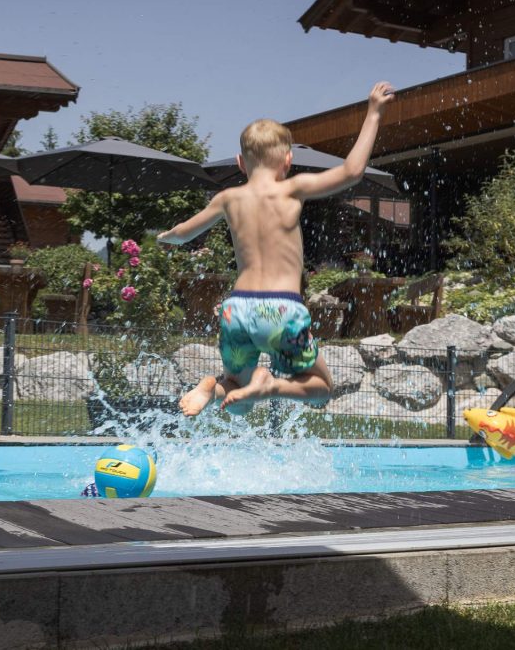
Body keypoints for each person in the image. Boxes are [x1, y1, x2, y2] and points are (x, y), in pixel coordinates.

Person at [157, 82, 395, 416]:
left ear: (241, 162)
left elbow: (182, 235)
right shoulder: (292, 190)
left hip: (237, 309)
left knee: (237, 401)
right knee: (320, 390)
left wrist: (165, 236)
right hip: (281, 309)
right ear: (287, 160)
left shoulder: (227, 198)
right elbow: (352, 172)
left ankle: (210, 390)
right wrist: (373, 112)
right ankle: (272, 385)